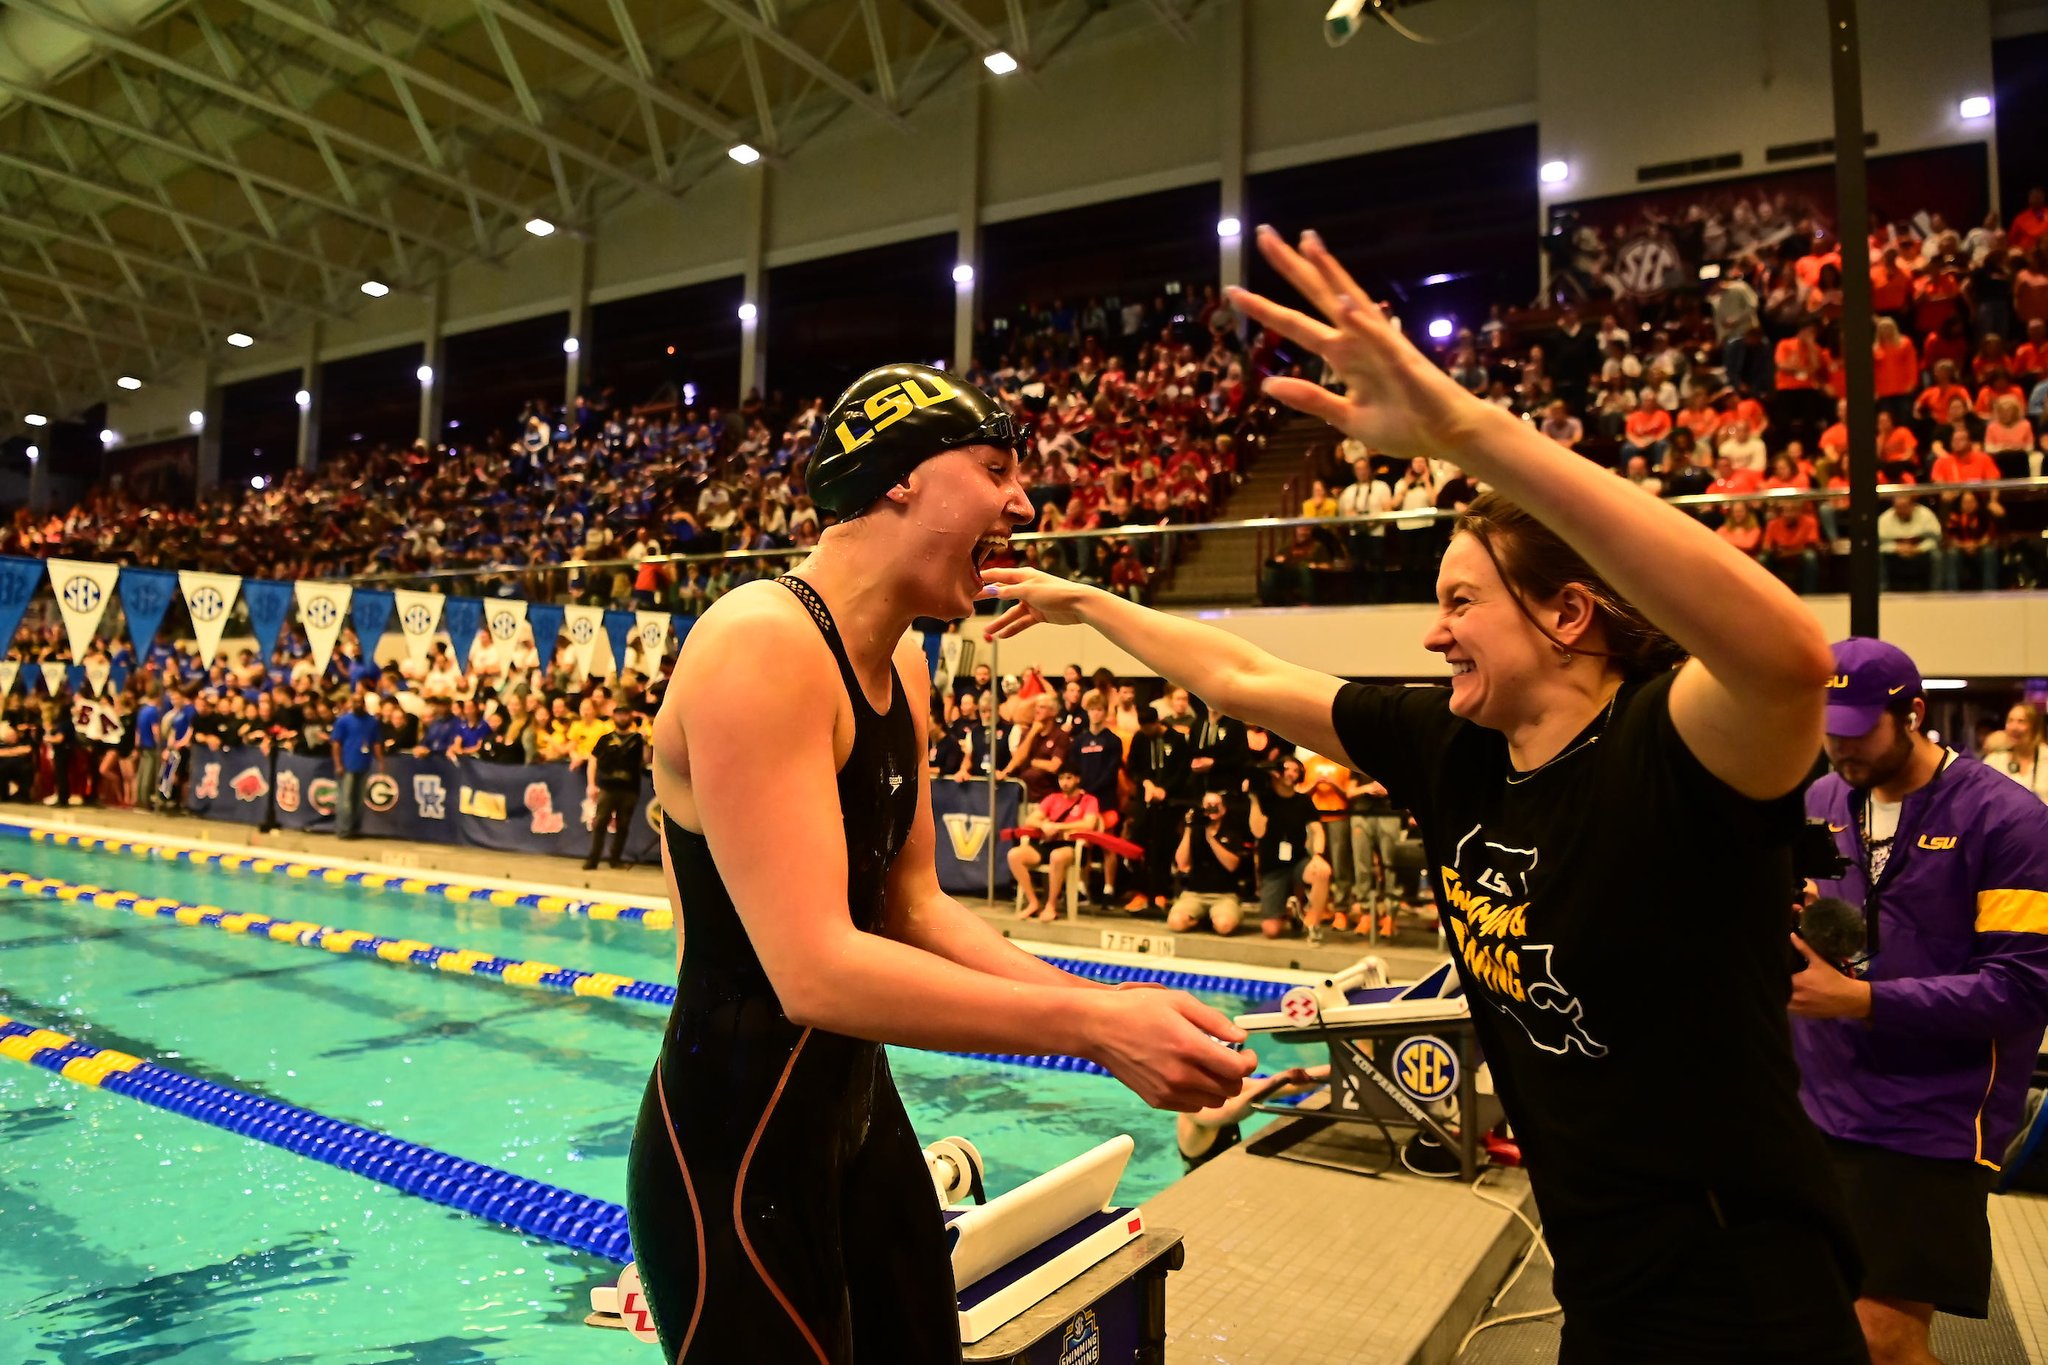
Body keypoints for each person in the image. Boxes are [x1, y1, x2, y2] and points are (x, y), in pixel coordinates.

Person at [981, 226, 1864, 1362]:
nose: (1433, 634)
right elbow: (1245, 676)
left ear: (1567, 614)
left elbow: (1789, 659)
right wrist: (1093, 603)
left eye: (1459, 603)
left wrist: (1469, 432)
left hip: (1741, 1284)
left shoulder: (1673, 750)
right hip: (1600, 1276)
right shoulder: (1456, 749)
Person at [624, 362, 1254, 1365]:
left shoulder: (904, 660)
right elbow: (813, 970)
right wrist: (1093, 1028)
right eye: (996, 469)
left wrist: (1112, 1003)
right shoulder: (760, 642)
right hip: (734, 1160)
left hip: (857, 1120)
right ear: (899, 478)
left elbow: (912, 906)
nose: (1023, 502)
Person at [1797, 639, 2048, 1364]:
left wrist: (1860, 1000)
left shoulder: (2008, 819)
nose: (1840, 747)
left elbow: (2023, 987)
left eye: (1856, 729)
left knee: (1884, 1339)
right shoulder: (1822, 800)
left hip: (1931, 1116)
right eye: (1827, 729)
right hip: (1816, 1098)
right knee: (1813, 1321)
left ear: (1912, 712)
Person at [1247, 755, 1330, 938]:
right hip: (1273, 867)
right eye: (1286, 769)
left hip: (1298, 861)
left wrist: (1318, 855)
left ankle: (1312, 924)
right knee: (1270, 930)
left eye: (1295, 770)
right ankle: (1289, 911)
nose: (1291, 773)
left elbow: (1317, 830)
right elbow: (1258, 832)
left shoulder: (1303, 801)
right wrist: (1253, 796)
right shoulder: (1265, 799)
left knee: (1322, 871)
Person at [1007, 766, 1102, 922]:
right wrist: (1044, 825)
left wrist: (1058, 827)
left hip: (1073, 846)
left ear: (1077, 779)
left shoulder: (1089, 800)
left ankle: (1051, 906)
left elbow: (1089, 824)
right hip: (1049, 843)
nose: (1064, 782)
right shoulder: (1052, 798)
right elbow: (1030, 820)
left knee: (1056, 856)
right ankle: (1033, 902)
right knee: (1014, 855)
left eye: (1069, 778)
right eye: (1061, 778)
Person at [1170, 789, 1252, 935]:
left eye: (1216, 805)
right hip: (1195, 894)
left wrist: (1211, 839)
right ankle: (1202, 921)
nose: (1212, 808)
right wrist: (1188, 829)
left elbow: (1232, 865)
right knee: (1176, 922)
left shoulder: (1231, 832)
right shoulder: (1194, 832)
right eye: (1208, 805)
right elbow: (1182, 864)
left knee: (1224, 926)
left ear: (1223, 809)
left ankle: (1216, 920)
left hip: (1225, 895)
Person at [584, 706, 648, 870]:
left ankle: (615, 859)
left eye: (625, 714)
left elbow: (646, 760)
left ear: (630, 717)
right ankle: (593, 859)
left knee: (623, 825)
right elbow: (593, 760)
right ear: (613, 717)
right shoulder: (605, 739)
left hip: (630, 788)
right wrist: (591, 784)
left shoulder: (637, 739)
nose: (622, 718)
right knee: (600, 823)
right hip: (608, 787)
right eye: (619, 714)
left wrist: (646, 742)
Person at [329, 692, 380, 840]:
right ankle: (343, 829)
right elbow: (336, 744)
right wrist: (338, 764)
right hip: (347, 764)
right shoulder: (343, 721)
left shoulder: (372, 721)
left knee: (359, 801)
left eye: (360, 702)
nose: (358, 704)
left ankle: (355, 828)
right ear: (351, 703)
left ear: (364, 703)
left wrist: (381, 761)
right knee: (345, 800)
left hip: (364, 764)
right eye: (355, 702)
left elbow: (376, 742)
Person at [1986, 701, 2048, 803]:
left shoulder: (2045, 757)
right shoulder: (1995, 761)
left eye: (2021, 721)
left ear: (2035, 727)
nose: (2014, 727)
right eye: (2010, 721)